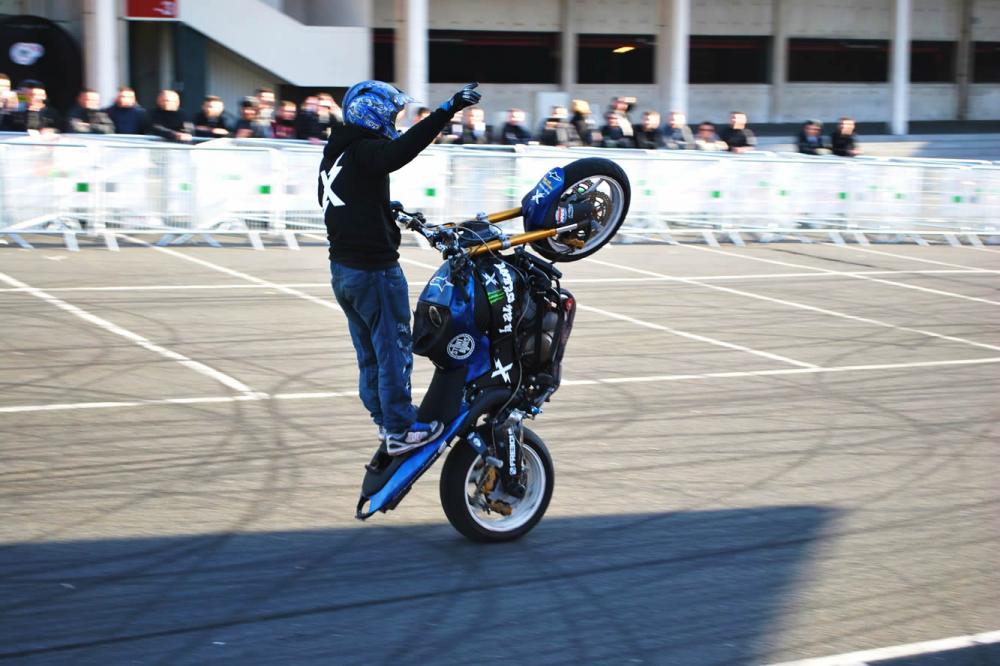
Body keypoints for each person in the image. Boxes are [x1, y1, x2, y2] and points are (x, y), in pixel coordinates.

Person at [319, 80, 481, 455]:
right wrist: (446, 111)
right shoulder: (364, 150)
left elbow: (346, 201)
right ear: (372, 114)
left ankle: (383, 421)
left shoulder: (337, 154)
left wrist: (382, 211)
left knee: (370, 353)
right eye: (391, 113)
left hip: (344, 272)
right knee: (393, 349)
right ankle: (400, 428)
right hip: (373, 271)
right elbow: (400, 151)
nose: (395, 120)